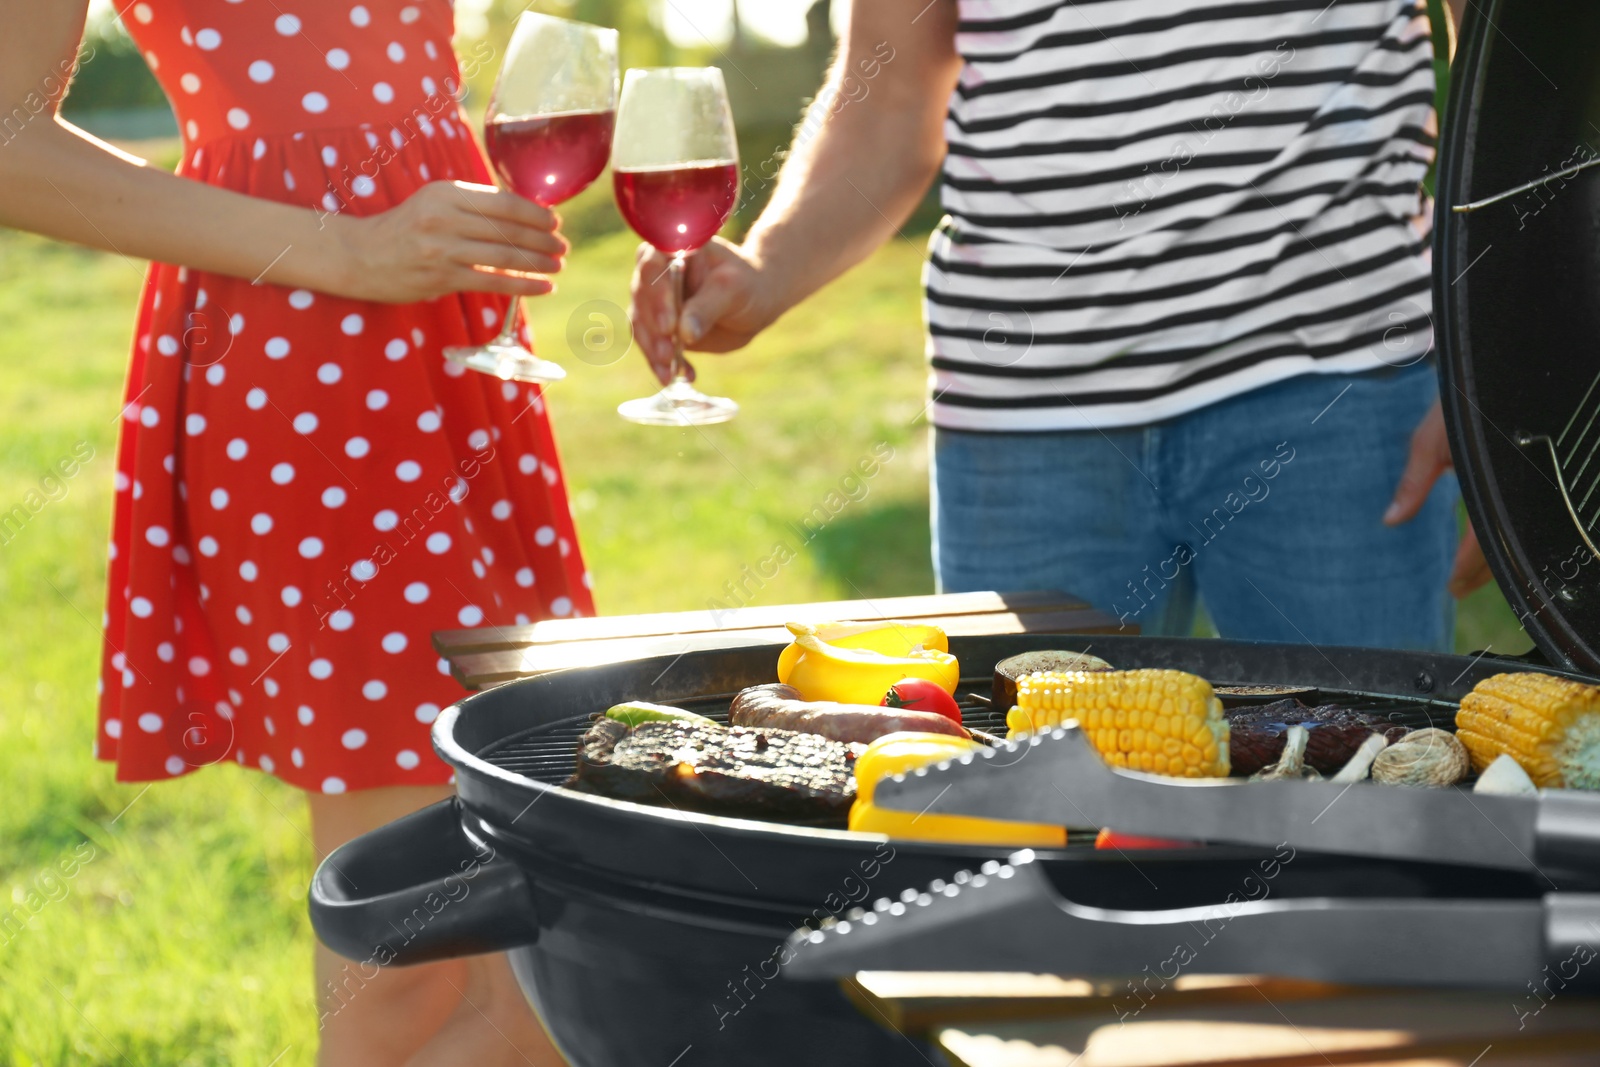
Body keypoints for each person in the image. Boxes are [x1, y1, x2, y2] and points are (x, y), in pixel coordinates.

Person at [1, 3, 585, 1064]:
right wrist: (345, 249)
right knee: (416, 958)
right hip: (309, 353)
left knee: (532, 972)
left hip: (450, 341)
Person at [632, 0, 1489, 650]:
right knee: (1032, 833)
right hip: (1023, 420)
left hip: (1335, 387)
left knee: (1366, 814)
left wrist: (1508, 346)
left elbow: (1515, 54)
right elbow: (892, 98)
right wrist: (766, 267)